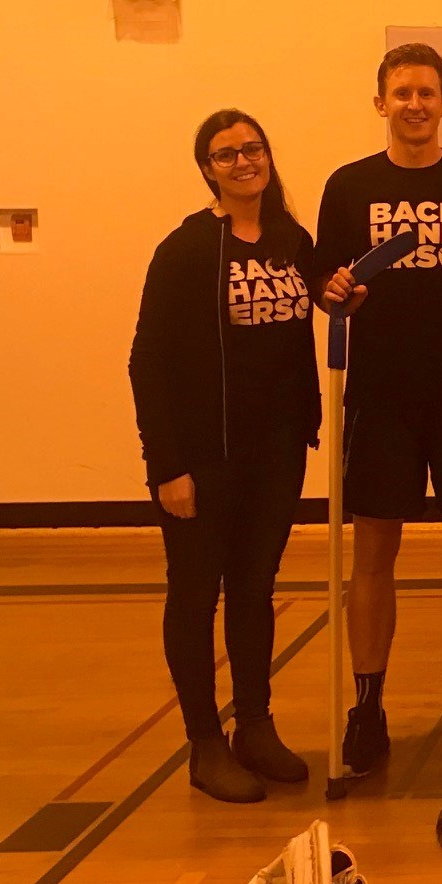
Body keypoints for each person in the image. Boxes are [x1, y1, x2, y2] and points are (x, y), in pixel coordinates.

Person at [315, 43, 442, 775]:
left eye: (427, 93)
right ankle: (366, 707)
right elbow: (324, 281)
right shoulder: (348, 187)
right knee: (373, 555)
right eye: (402, 93)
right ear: (381, 103)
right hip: (381, 398)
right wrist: (333, 294)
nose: (415, 104)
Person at [130, 110, 322, 804]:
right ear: (207, 168)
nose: (244, 160)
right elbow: (146, 361)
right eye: (227, 153)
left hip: (274, 454)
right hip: (203, 458)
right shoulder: (186, 250)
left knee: (253, 590)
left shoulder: (292, 241)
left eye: (253, 147)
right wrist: (167, 467)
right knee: (194, 595)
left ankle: (255, 726)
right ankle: (205, 743)